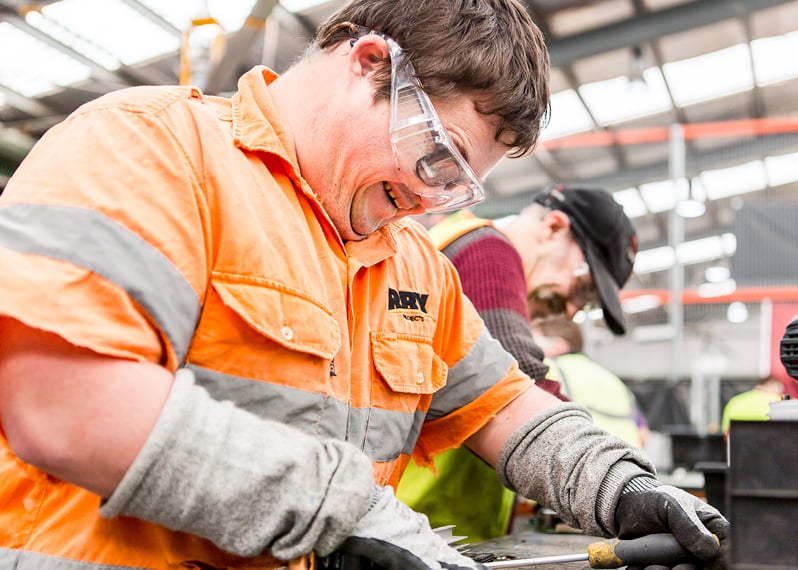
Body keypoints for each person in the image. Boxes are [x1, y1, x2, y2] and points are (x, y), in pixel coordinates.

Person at [0, 2, 728, 569]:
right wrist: (348, 511)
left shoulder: (411, 266)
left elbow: (506, 407)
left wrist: (620, 487)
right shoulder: (147, 150)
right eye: (437, 156)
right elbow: (64, 404)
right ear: (371, 62)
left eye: (460, 185)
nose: (430, 198)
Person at [397, 184, 643, 542]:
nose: (572, 309)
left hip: (430, 525)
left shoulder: (455, 244)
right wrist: (618, 485)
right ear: (554, 228)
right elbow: (523, 386)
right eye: (582, 287)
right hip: (417, 528)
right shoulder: (487, 252)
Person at [533, 314, 648, 448]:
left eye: (532, 341)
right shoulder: (611, 377)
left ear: (559, 345)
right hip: (629, 462)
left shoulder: (547, 368)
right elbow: (644, 434)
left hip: (586, 460)